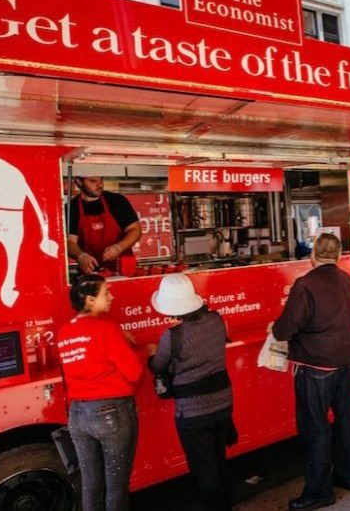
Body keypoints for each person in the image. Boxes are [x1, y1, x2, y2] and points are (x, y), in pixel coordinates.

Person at [272, 234, 350, 511]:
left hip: (316, 366)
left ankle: (320, 491)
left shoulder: (306, 285)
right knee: (346, 420)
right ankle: (348, 476)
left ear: (312, 255)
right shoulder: (348, 281)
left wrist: (275, 328)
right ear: (338, 255)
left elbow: (285, 329)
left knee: (316, 427)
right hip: (346, 362)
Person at [148, 275, 235, 511]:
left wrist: (151, 354)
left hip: (193, 411)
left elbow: (157, 366)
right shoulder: (217, 320)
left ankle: (217, 506)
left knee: (203, 466)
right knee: (217, 458)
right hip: (223, 400)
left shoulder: (172, 337)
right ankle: (224, 500)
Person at [57, 275, 142, 511]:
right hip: (111, 413)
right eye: (106, 293)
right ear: (90, 300)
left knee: (91, 483)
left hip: (78, 415)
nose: (111, 297)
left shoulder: (64, 331)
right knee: (116, 485)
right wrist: (130, 345)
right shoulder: (106, 328)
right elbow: (134, 373)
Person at [68, 176, 142, 275]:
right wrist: (81, 256)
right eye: (93, 181)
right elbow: (70, 242)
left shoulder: (117, 201)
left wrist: (118, 248)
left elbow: (135, 230)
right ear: (79, 182)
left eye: (101, 180)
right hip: (91, 273)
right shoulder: (72, 208)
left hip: (123, 270)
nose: (100, 185)